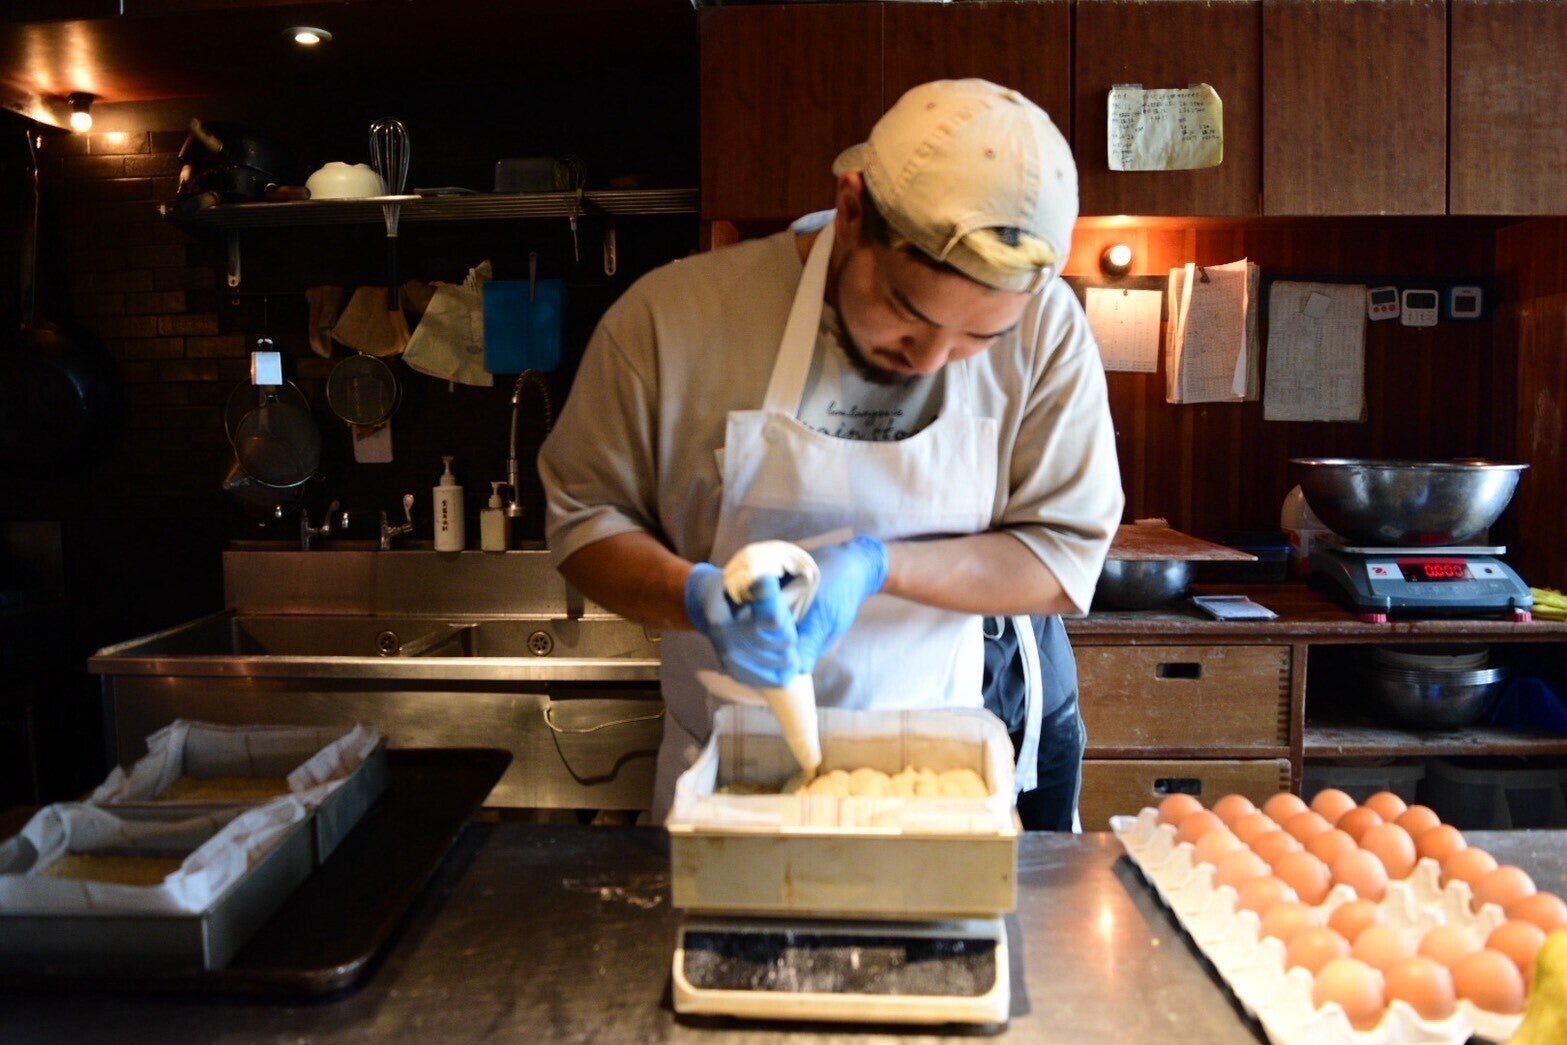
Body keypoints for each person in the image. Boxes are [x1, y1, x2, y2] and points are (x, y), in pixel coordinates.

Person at [539, 78, 1124, 826]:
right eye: (907, 311)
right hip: (723, 791)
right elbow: (585, 521)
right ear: (850, 211)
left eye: (979, 337)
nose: (930, 359)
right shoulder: (670, 320)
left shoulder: (1048, 334)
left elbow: (1062, 559)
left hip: (931, 784)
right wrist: (696, 597)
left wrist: (880, 566)